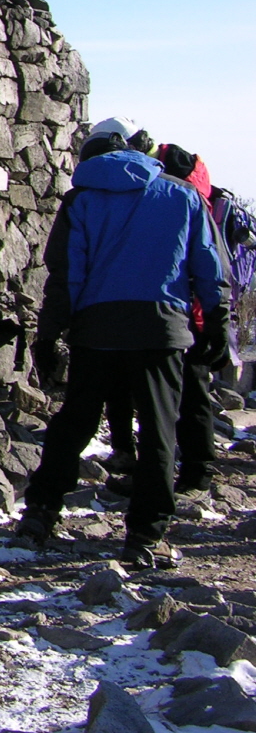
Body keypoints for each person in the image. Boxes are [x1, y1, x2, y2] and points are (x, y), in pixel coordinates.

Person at [13, 119, 225, 568]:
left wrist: (49, 334)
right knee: (158, 431)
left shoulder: (81, 199)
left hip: (97, 328)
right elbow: (208, 266)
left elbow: (66, 275)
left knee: (75, 422)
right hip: (161, 328)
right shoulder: (183, 195)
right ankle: (146, 537)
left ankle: (40, 513)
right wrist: (216, 324)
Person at [157, 143, 233, 492]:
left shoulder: (172, 200)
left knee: (167, 398)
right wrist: (218, 321)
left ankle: (179, 471)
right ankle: (196, 470)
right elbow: (216, 269)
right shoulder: (203, 200)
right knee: (194, 395)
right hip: (199, 315)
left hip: (174, 313)